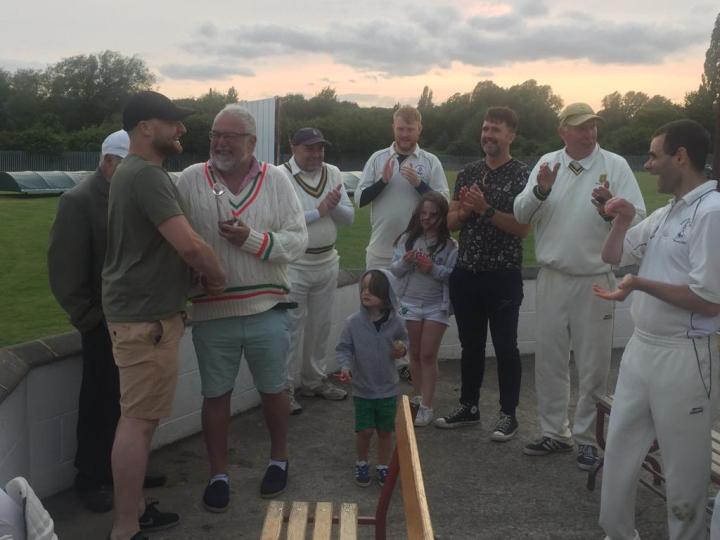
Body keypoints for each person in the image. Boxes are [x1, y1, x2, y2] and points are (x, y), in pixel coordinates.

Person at [103, 90, 227, 540]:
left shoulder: (130, 172)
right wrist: (217, 277)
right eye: (172, 121)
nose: (181, 129)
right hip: (147, 321)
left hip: (140, 315)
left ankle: (134, 509)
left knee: (138, 418)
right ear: (145, 128)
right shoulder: (147, 176)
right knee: (138, 424)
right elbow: (189, 244)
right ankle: (126, 527)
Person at [176, 105, 307, 513]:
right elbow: (174, 239)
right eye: (215, 134)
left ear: (251, 142)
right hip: (212, 313)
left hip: (267, 306)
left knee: (274, 391)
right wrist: (190, 274)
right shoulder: (190, 179)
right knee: (216, 396)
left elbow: (298, 240)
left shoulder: (277, 179)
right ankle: (218, 474)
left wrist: (253, 239)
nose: (220, 142)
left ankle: (279, 459)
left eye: (230, 136)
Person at [595, 119, 720, 540]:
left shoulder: (712, 212)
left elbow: (710, 301)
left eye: (654, 155)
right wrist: (621, 221)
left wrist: (640, 283)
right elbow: (613, 256)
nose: (647, 164)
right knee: (619, 455)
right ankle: (617, 533)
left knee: (683, 474)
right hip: (641, 350)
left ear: (680, 157)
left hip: (685, 355)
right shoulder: (669, 212)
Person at [513, 102, 646, 470]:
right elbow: (521, 212)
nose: (589, 134)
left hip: (594, 278)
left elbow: (639, 221)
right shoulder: (547, 164)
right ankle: (554, 432)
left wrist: (610, 211)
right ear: (563, 131)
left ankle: (588, 439)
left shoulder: (615, 166)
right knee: (550, 360)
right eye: (581, 127)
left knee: (594, 364)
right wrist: (540, 191)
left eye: (593, 127)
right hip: (553, 277)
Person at [47, 130, 166, 514]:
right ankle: (92, 476)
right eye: (131, 164)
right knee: (100, 400)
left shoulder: (127, 191)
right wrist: (91, 322)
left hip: (137, 316)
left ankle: (126, 471)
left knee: (133, 403)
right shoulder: (78, 201)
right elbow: (64, 272)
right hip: (104, 323)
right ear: (109, 161)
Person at [433, 106, 530, 441]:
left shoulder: (522, 175)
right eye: (486, 128)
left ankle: (508, 414)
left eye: (496, 130)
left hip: (502, 274)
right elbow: (450, 222)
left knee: (505, 347)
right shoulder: (469, 172)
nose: (488, 135)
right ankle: (469, 406)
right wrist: (465, 212)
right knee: (470, 346)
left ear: (511, 135)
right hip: (467, 272)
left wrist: (485, 209)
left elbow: (522, 228)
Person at [281, 127, 354, 414]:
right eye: (309, 148)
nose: (316, 154)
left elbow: (348, 217)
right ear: (293, 147)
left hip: (327, 260)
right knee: (290, 329)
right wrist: (320, 211)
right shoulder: (280, 175)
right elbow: (284, 221)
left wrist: (332, 208)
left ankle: (314, 380)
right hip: (295, 264)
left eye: (319, 148)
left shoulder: (332, 172)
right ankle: (284, 389)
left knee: (321, 326)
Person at [389, 192, 457, 427]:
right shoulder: (407, 239)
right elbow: (395, 270)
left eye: (433, 214)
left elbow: (454, 277)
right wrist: (406, 261)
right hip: (409, 303)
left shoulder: (450, 245)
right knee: (415, 353)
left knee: (428, 354)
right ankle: (418, 397)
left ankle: (427, 405)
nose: (427, 218)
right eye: (423, 213)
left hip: (436, 305)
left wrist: (432, 269)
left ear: (443, 217)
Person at [336, 269, 408, 487]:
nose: (365, 293)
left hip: (388, 388)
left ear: (387, 295)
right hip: (362, 388)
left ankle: (383, 465)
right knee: (365, 431)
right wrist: (346, 367)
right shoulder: (353, 323)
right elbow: (344, 348)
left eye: (373, 289)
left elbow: (406, 341)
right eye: (363, 288)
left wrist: (402, 350)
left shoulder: (397, 322)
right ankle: (362, 462)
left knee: (385, 431)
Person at [354, 105, 449, 270]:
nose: (405, 134)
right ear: (393, 128)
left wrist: (419, 185)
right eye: (400, 129)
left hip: (418, 253)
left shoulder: (431, 161)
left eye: (410, 129)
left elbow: (444, 203)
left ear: (419, 129)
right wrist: (382, 182)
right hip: (380, 253)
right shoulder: (377, 158)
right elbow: (359, 200)